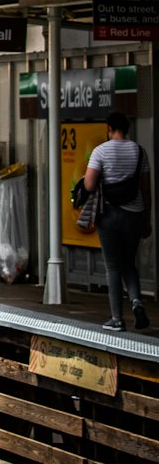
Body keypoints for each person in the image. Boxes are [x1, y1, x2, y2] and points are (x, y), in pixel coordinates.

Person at [83, 112, 152, 332]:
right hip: (135, 214)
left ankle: (117, 319)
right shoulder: (140, 152)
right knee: (128, 263)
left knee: (113, 266)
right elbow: (146, 190)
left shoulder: (100, 151)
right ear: (128, 128)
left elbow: (90, 185)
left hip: (110, 215)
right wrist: (147, 219)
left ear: (109, 128)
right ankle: (136, 302)